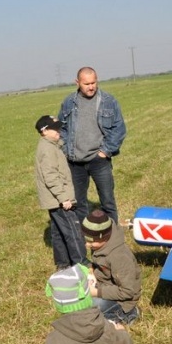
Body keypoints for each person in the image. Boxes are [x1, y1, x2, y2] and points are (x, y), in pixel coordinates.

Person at [57, 67, 127, 225]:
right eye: (86, 83)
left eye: (93, 82)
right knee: (78, 204)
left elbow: (119, 128)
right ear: (77, 82)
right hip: (75, 162)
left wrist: (105, 152)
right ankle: (82, 238)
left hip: (99, 160)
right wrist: (67, 149)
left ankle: (111, 239)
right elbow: (62, 128)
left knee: (108, 202)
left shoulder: (108, 101)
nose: (91, 87)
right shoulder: (69, 102)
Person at [34, 114, 87, 269]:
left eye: (58, 127)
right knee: (73, 231)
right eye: (54, 128)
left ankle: (63, 265)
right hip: (59, 200)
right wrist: (64, 198)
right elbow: (50, 176)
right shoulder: (47, 149)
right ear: (44, 131)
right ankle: (81, 264)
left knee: (58, 233)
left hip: (54, 200)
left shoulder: (51, 146)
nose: (59, 130)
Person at [81, 209, 142, 324]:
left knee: (88, 311)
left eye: (90, 241)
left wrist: (95, 292)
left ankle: (129, 314)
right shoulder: (100, 244)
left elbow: (127, 292)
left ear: (103, 237)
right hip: (103, 284)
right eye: (85, 239)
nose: (86, 245)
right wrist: (90, 271)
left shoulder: (119, 257)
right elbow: (96, 262)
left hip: (122, 301)